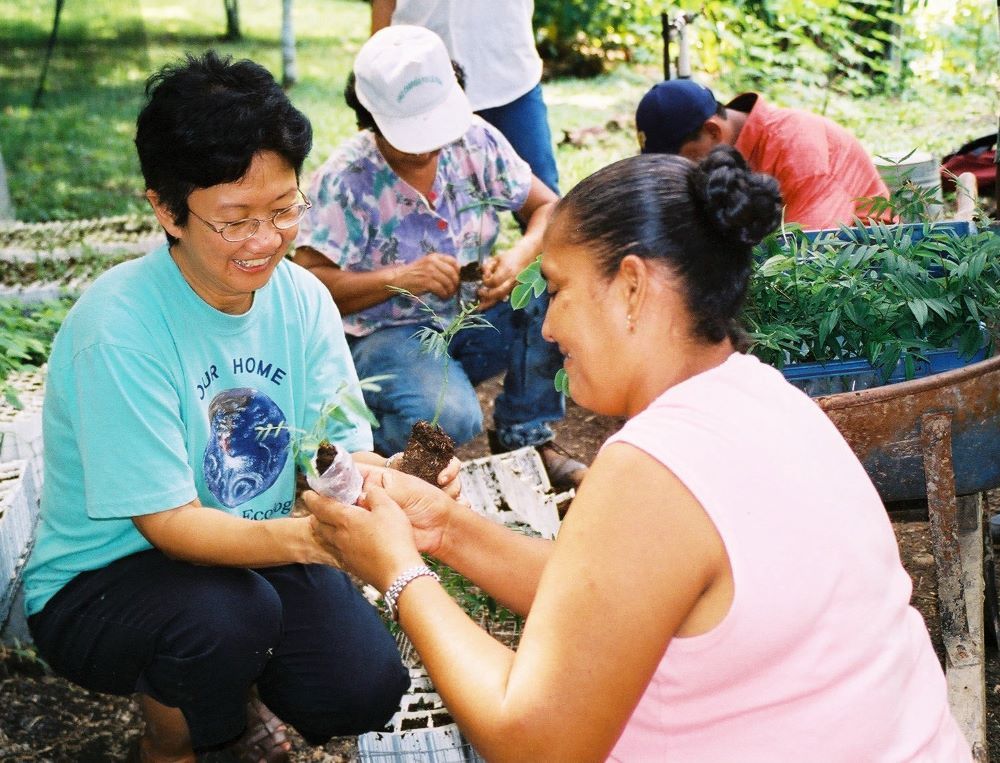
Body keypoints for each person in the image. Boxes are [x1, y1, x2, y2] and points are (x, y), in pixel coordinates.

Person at [302, 146, 971, 760]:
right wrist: (443, 529)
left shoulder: (653, 467)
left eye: (559, 289)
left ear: (631, 286)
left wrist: (396, 571)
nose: (551, 323)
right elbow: (610, 596)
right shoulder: (763, 397)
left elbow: (533, 739)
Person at [20, 51, 436, 763]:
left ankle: (228, 686)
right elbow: (172, 525)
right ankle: (172, 737)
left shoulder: (302, 298)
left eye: (283, 209)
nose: (265, 241)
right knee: (226, 617)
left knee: (363, 685)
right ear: (166, 209)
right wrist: (320, 541)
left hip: (249, 551)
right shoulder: (119, 328)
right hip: (104, 582)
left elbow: (330, 455)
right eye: (235, 219)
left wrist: (391, 481)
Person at [293, 25, 586, 489]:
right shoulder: (346, 180)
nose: (429, 146)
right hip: (385, 333)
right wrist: (403, 277)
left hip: (472, 314)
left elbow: (551, 209)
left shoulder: (475, 140)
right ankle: (347, 453)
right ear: (370, 119)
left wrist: (516, 259)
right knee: (451, 419)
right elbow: (308, 284)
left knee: (553, 288)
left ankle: (523, 433)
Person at [635, 79, 891, 230]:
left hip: (865, 269)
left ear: (712, 131)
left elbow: (812, 261)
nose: (683, 171)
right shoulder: (728, 151)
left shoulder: (798, 152)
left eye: (684, 160)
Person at [370, 0, 560, 194]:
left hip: (510, 77)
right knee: (409, 198)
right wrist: (376, 70)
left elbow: (545, 207)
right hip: (423, 82)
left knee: (544, 195)